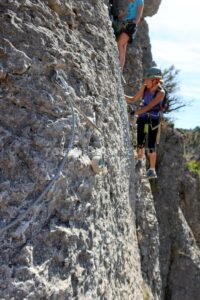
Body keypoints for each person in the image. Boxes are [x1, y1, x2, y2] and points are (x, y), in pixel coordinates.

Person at [125, 67, 165, 179]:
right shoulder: (145, 87)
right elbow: (133, 99)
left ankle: (152, 171)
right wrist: (120, 95)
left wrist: (134, 112)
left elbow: (149, 107)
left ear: (155, 80)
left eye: (148, 79)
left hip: (154, 118)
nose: (145, 81)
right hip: (143, 116)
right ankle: (139, 156)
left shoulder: (160, 93)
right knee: (140, 139)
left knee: (151, 145)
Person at [115, 0, 144, 71]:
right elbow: (128, 12)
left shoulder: (140, 1)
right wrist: (121, 15)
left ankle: (120, 67)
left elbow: (139, 14)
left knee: (120, 44)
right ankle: (120, 67)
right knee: (123, 46)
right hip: (125, 24)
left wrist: (134, 25)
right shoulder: (131, 1)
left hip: (130, 25)